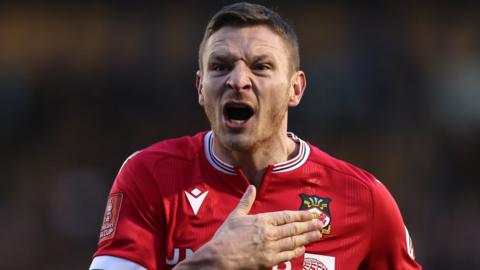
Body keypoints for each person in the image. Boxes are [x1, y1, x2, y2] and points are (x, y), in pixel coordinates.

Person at [89, 2, 422, 270]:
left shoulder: (362, 198)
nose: (238, 80)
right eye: (220, 66)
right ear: (200, 88)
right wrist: (212, 263)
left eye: (260, 67)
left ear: (296, 88)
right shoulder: (150, 176)